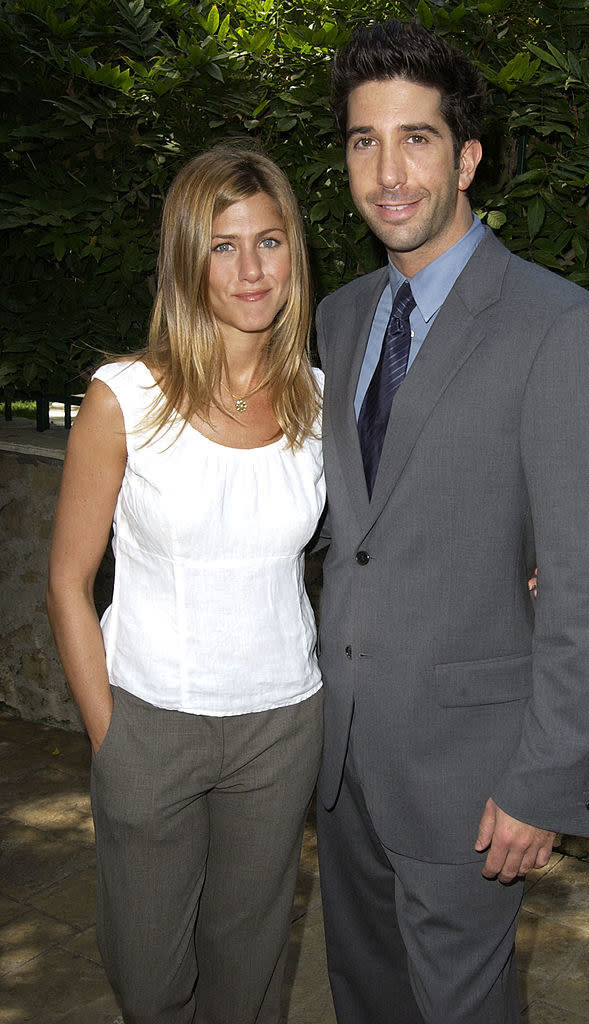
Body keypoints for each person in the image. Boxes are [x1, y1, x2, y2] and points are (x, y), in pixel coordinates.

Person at [313, 20, 589, 1024]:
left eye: (415, 138)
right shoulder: (336, 316)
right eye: (364, 140)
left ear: (465, 158)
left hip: (470, 780)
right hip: (341, 769)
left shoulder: (564, 329)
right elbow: (349, 531)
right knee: (366, 1000)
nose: (387, 170)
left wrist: (544, 783)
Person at [46, 147, 325, 1024]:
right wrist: (110, 738)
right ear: (184, 259)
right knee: (148, 975)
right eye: (223, 245)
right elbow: (66, 579)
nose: (251, 269)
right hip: (150, 723)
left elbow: (402, 523)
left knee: (246, 975)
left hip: (281, 727)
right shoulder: (122, 397)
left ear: (293, 256)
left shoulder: (320, 403)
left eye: (269, 241)